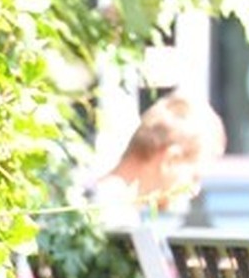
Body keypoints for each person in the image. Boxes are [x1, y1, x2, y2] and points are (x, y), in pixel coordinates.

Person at [89, 91, 226, 225]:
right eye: (194, 177)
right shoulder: (113, 216)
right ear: (171, 159)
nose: (195, 191)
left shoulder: (95, 200)